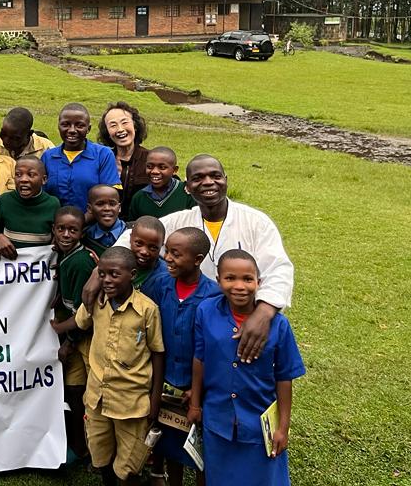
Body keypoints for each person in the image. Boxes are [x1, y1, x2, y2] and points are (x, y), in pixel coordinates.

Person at [117, 154, 295, 363]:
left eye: (215, 176)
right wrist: (99, 271)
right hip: (192, 324)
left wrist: (263, 313)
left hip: (241, 320)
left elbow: (278, 269)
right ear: (188, 187)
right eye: (198, 178)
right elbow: (134, 235)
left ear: (226, 180)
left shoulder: (255, 222)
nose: (208, 182)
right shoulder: (181, 221)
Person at [188, 250, 305, 486]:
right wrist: (195, 404)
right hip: (217, 420)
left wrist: (283, 428)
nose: (239, 286)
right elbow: (199, 359)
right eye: (230, 278)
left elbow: (284, 377)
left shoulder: (278, 325)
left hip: (258, 425)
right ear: (218, 280)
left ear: (259, 283)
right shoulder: (206, 312)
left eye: (248, 279)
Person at [74, 247, 164, 486]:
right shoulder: (97, 300)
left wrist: (155, 401)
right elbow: (80, 323)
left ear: (132, 274)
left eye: (114, 274)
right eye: (102, 274)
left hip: (131, 402)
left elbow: (157, 353)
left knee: (129, 464)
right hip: (97, 398)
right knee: (100, 452)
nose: (106, 280)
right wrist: (88, 298)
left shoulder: (147, 310)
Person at [142, 227, 219, 486]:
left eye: (176, 253)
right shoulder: (160, 284)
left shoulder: (214, 295)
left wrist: (200, 390)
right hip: (164, 383)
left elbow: (217, 350)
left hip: (198, 389)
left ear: (197, 259)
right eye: (167, 251)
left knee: (200, 454)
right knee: (171, 447)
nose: (167, 258)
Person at [47, 205, 96, 462]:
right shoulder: (64, 255)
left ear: (81, 233)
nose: (66, 234)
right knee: (74, 391)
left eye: (72, 230)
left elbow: (83, 315)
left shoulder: (80, 262)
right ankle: (79, 444)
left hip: (83, 339)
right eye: (61, 229)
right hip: (74, 336)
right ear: (53, 230)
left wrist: (67, 340)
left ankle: (88, 446)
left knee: (85, 394)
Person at [42, 103, 121, 211]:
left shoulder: (103, 155)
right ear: (58, 126)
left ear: (88, 129)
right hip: (56, 225)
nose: (72, 130)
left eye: (79, 125)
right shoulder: (48, 157)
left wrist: (81, 222)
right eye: (65, 124)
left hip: (93, 225)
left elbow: (108, 201)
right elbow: (42, 195)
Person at [0, 156, 60, 258]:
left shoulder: (53, 204)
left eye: (31, 175)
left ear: (44, 179)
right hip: (9, 266)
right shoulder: (4, 201)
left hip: (38, 267)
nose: (23, 179)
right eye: (18, 174)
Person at [98, 102, 151, 218]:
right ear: (107, 132)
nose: (120, 129)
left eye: (125, 122)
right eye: (113, 125)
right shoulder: (102, 159)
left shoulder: (150, 159)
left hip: (142, 226)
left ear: (135, 126)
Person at [127, 147, 195, 220]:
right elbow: (133, 225)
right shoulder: (139, 198)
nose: (154, 171)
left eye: (162, 167)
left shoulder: (187, 193)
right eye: (149, 166)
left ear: (175, 170)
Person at [83, 184, 126, 256]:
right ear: (90, 208)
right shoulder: (86, 237)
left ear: (119, 208)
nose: (107, 208)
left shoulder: (130, 233)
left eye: (112, 204)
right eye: (100, 204)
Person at [130, 216, 168, 291]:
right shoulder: (118, 264)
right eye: (139, 243)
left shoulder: (166, 276)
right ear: (130, 238)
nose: (144, 252)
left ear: (161, 246)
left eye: (153, 247)